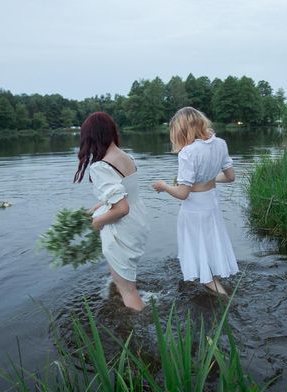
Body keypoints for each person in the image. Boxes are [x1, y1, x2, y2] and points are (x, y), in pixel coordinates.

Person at [152, 107, 239, 295]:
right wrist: (208, 178)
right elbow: (231, 177)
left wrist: (164, 186)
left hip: (194, 209)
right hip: (212, 205)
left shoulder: (188, 153)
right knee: (210, 242)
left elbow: (183, 193)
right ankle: (217, 279)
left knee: (200, 254)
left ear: (182, 129)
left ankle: (222, 295)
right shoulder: (221, 144)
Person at [73, 112, 149, 311]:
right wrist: (99, 206)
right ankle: (131, 305)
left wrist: (98, 222)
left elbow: (121, 208)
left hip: (122, 228)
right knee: (125, 282)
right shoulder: (126, 156)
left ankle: (143, 327)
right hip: (138, 221)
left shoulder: (100, 166)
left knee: (127, 291)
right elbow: (126, 193)